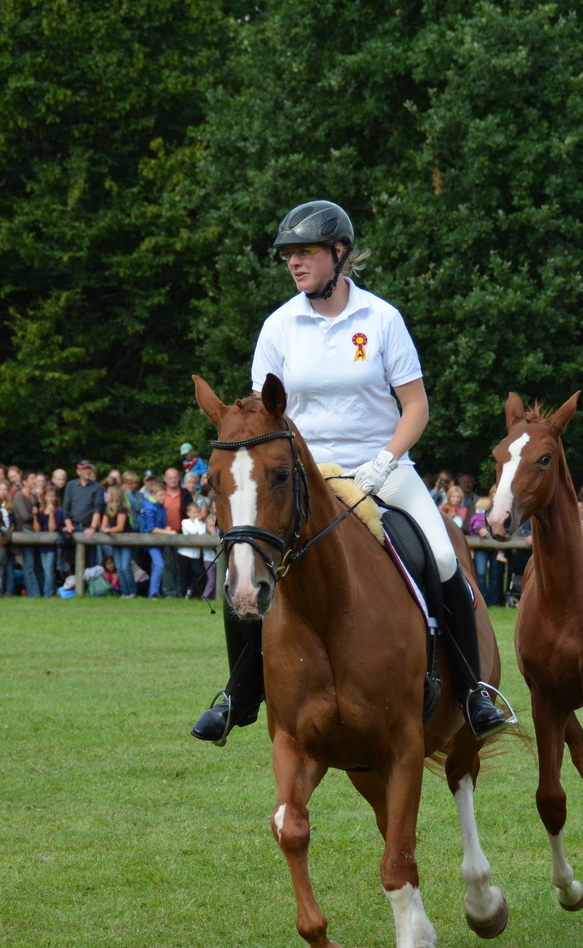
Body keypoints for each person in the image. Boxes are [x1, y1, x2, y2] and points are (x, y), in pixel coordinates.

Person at [193, 199, 513, 744]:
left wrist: (387, 458)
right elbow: (263, 412)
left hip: (381, 467)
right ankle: (240, 692)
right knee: (245, 556)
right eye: (289, 255)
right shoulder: (278, 326)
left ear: (338, 253)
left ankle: (474, 691)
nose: (295, 263)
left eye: (307, 252)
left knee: (440, 556)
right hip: (303, 476)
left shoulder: (381, 319)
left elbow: (416, 406)